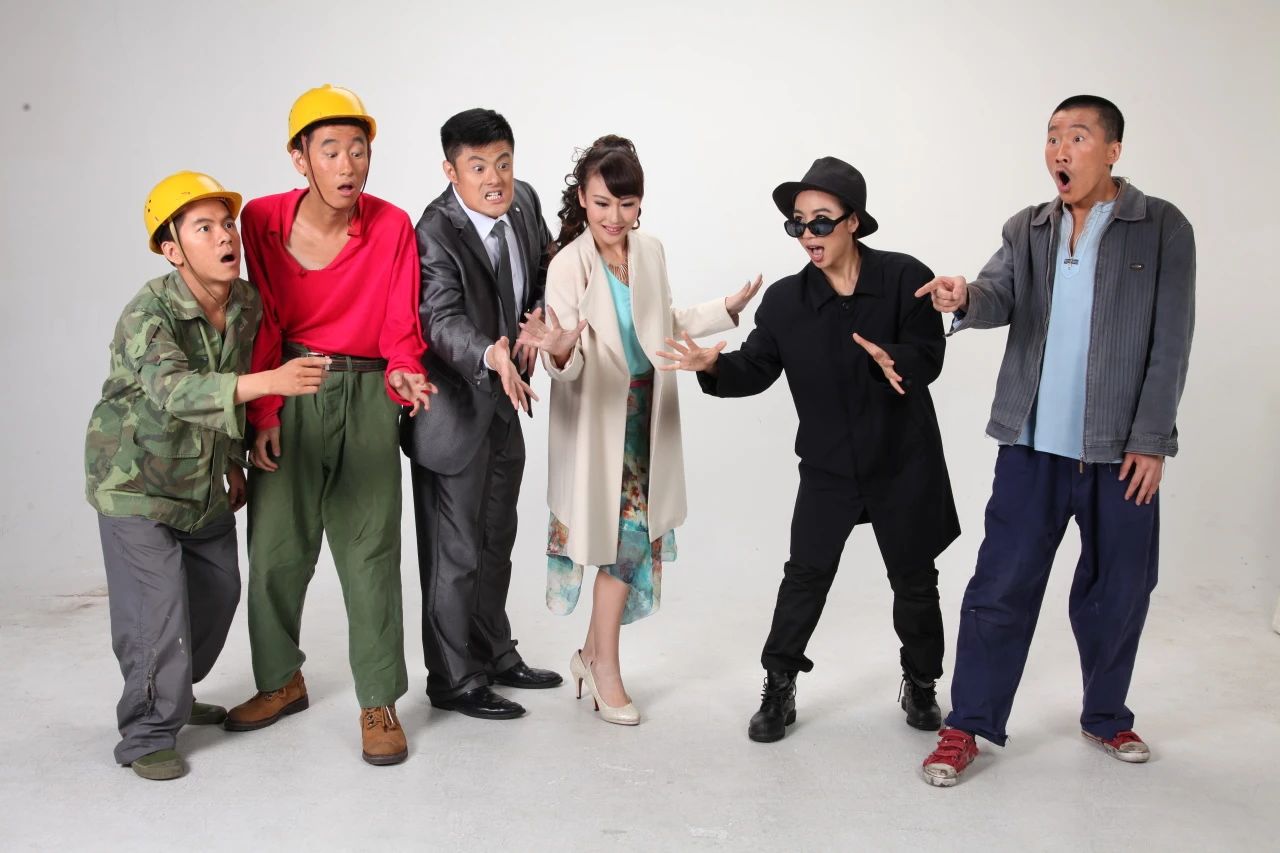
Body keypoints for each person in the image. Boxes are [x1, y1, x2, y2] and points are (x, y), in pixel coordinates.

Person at [915, 95, 1196, 786]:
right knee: (999, 586)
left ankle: (1106, 714)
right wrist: (963, 296)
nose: (1059, 150)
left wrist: (1151, 439)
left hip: (1120, 452)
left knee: (1119, 590)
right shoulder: (1028, 227)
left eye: (1077, 136)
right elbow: (997, 294)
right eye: (1051, 137)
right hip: (1031, 444)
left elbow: (1171, 341)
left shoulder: (1162, 227)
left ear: (1113, 150)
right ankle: (965, 725)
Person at [659, 157, 958, 742]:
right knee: (805, 577)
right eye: (797, 223)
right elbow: (755, 368)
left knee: (915, 581)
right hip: (829, 466)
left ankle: (922, 682)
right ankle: (778, 687)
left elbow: (930, 355)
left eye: (821, 221)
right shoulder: (786, 302)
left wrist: (895, 359)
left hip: (903, 460)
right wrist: (713, 365)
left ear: (854, 221)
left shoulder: (905, 278)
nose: (807, 234)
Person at [87, 171, 329, 780]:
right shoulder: (147, 312)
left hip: (201, 484)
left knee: (218, 593)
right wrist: (273, 382)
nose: (225, 237)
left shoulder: (244, 303)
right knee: (156, 612)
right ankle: (147, 733)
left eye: (227, 224)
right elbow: (177, 391)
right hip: (136, 486)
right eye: (204, 228)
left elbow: (229, 395)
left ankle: (171, 691)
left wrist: (235, 460)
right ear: (172, 250)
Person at [517, 135, 760, 724]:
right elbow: (567, 363)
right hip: (596, 426)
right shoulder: (568, 264)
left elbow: (661, 322)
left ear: (640, 204)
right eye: (602, 203)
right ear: (582, 198)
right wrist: (558, 349)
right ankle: (605, 669)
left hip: (646, 416)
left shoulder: (649, 251)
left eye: (626, 204)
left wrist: (725, 308)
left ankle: (589, 656)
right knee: (621, 544)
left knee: (629, 540)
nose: (614, 217)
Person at [224, 85, 433, 767]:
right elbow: (263, 320)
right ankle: (280, 680)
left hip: (369, 393)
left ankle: (379, 700)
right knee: (276, 548)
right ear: (300, 158)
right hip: (291, 384)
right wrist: (263, 412)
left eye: (359, 149)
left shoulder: (392, 225)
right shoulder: (260, 220)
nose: (349, 165)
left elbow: (400, 323)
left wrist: (404, 371)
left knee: (370, 549)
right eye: (332, 150)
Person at [403, 108, 561, 721]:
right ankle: (453, 678)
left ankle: (494, 653)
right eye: (477, 167)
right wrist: (490, 352)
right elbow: (439, 317)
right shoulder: (434, 230)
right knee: (456, 554)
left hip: (506, 405)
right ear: (451, 171)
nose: (495, 179)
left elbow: (543, 269)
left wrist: (537, 318)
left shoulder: (524, 202)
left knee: (497, 541)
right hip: (452, 412)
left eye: (503, 162)